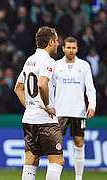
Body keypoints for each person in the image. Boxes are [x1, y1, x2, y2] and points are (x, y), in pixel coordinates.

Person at [14, 26, 64, 180]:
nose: (58, 44)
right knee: (57, 161)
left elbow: (18, 88)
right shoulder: (48, 61)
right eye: (56, 41)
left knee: (31, 160)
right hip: (45, 121)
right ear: (50, 42)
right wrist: (48, 106)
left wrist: (30, 106)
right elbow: (42, 83)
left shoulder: (30, 60)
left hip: (29, 119)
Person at [53, 37, 96, 180]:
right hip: (60, 111)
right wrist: (49, 106)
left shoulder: (84, 65)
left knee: (79, 143)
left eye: (74, 48)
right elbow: (49, 87)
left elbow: (90, 88)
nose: (71, 50)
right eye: (68, 47)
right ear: (63, 48)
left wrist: (92, 105)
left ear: (77, 49)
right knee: (56, 145)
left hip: (79, 111)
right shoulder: (56, 66)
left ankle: (78, 177)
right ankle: (55, 176)